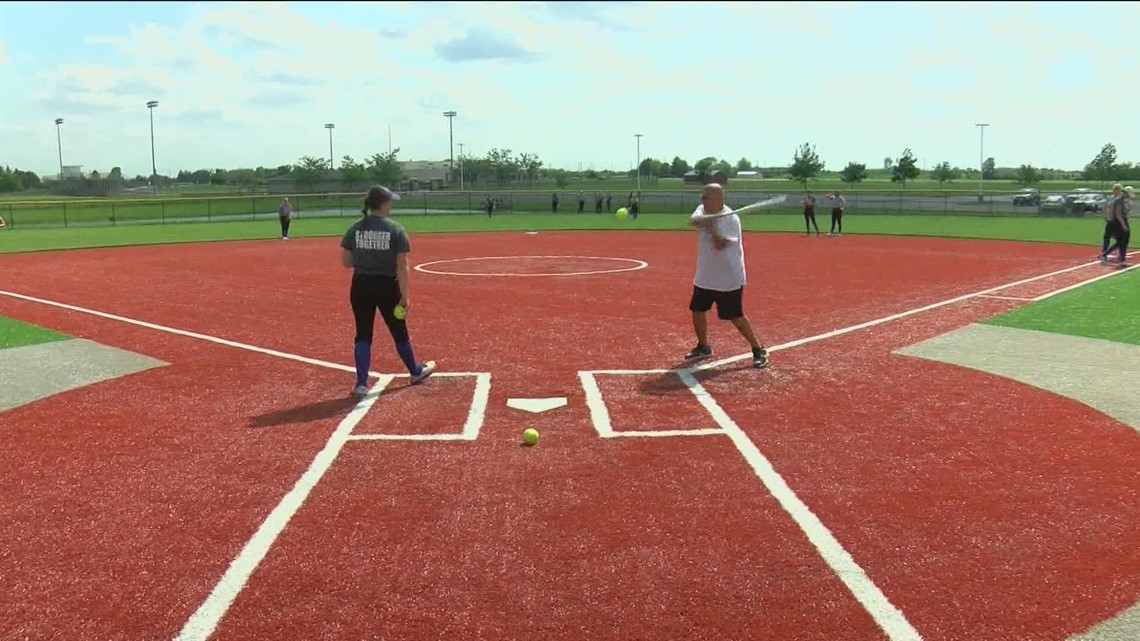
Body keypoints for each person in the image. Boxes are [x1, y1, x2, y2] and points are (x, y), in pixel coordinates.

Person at [340, 185, 435, 398]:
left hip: (361, 284)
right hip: (387, 286)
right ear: (383, 204)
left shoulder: (355, 228)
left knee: (363, 333)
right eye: (390, 201)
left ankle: (361, 383)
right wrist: (405, 295)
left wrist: (365, 258)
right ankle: (415, 371)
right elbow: (402, 266)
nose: (392, 204)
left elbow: (346, 262)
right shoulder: (395, 229)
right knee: (398, 331)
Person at [683, 183, 769, 368]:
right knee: (697, 310)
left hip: (727, 277)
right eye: (702, 197)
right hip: (705, 274)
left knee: (735, 316)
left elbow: (720, 244)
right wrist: (707, 220)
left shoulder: (731, 220)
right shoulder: (702, 209)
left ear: (719, 199)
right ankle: (703, 346)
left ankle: (758, 348)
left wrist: (712, 226)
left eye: (707, 198)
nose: (702, 201)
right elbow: (692, 221)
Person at [1103, 185, 1132, 266]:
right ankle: (1119, 259)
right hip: (1119, 223)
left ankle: (1119, 258)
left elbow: (1126, 211)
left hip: (1121, 221)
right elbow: (1118, 214)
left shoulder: (1123, 201)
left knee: (1122, 241)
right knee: (1122, 241)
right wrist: (1123, 224)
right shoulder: (1119, 201)